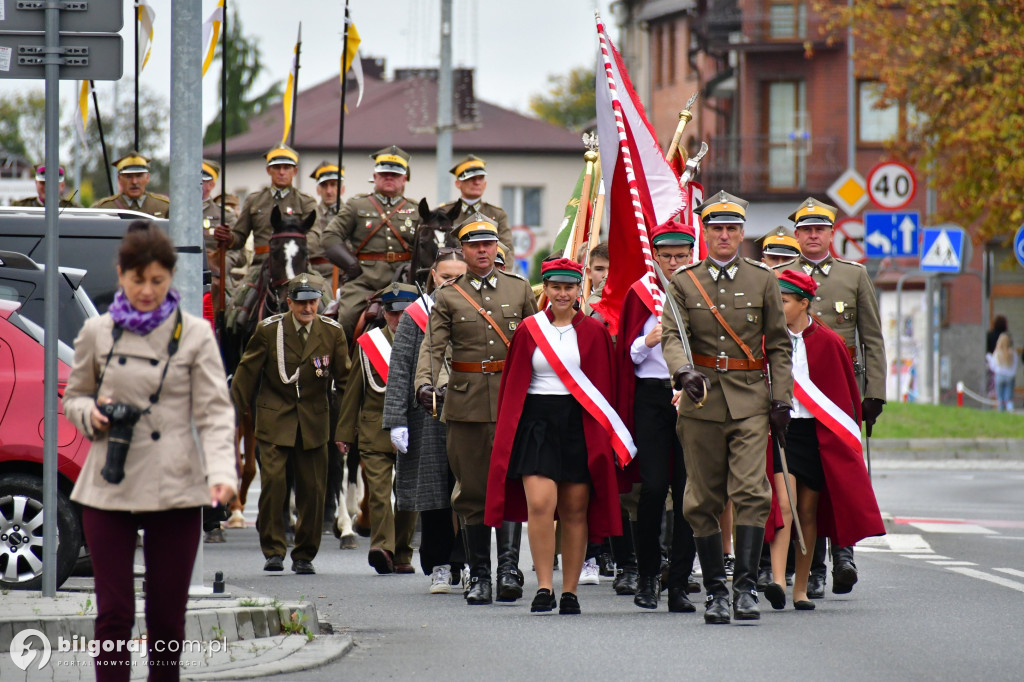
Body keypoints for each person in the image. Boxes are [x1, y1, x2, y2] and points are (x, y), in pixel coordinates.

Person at [63, 221, 237, 679]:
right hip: (109, 481)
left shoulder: (195, 334)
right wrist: (90, 415)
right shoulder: (98, 332)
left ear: (171, 277)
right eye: (137, 279)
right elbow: (74, 396)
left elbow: (215, 413)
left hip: (176, 484)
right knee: (113, 614)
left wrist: (223, 474)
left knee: (166, 619)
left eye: (157, 281)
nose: (146, 290)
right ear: (121, 275)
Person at [661, 190, 793, 625]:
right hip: (701, 400)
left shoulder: (763, 280)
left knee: (753, 492)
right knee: (702, 498)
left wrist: (781, 399)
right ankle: (717, 592)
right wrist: (682, 373)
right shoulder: (683, 281)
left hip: (751, 398)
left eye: (732, 228)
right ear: (704, 230)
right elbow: (671, 337)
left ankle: (745, 589)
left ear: (741, 233)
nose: (724, 234)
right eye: (716, 227)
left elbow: (778, 345)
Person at [485, 258, 625, 614]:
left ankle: (570, 591)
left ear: (579, 290)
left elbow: (604, 390)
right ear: (545, 289)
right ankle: (544, 586)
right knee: (540, 505)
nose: (562, 294)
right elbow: (513, 385)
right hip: (537, 424)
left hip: (578, 425)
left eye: (569, 287)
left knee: (575, 510)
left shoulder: (594, 332)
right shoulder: (529, 329)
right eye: (555, 287)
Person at [415, 212, 538, 605]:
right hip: (465, 404)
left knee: (510, 485)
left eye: (488, 244)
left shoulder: (519, 290)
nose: (482, 251)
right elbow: (432, 347)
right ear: (463, 251)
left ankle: (508, 570)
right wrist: (425, 382)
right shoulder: (449, 296)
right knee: (470, 491)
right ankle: (479, 575)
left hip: (512, 400)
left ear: (497, 248)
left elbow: (539, 343)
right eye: (474, 245)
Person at [777, 196, 885, 598]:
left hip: (841, 390)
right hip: (799, 391)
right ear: (797, 235)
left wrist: (874, 392)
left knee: (840, 471)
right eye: (805, 230)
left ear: (831, 233)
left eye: (819, 229)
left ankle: (845, 553)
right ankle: (815, 568)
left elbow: (871, 337)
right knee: (807, 478)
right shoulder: (781, 277)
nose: (812, 236)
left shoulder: (853, 276)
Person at [230, 273, 351, 574]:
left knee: (313, 489)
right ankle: (273, 549)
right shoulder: (269, 330)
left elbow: (346, 381)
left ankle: (304, 554)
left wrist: (347, 426)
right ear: (289, 303)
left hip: (314, 420)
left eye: (312, 303)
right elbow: (247, 373)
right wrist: (230, 416)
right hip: (275, 417)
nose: (307, 309)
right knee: (273, 482)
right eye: (301, 303)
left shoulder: (332, 332)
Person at [616, 220, 698, 613]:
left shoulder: (700, 290)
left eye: (681, 255)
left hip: (692, 395)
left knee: (688, 491)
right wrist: (649, 339)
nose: (673, 262)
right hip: (651, 396)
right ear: (655, 257)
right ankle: (647, 574)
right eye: (666, 256)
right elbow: (626, 355)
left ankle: (679, 581)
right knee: (652, 487)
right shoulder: (640, 293)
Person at [383, 250, 469, 593]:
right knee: (435, 493)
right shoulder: (415, 316)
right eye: (445, 276)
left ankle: (468, 560)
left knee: (469, 491)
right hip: (428, 415)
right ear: (433, 276)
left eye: (457, 276)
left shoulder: (477, 308)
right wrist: (395, 420)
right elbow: (400, 368)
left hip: (469, 410)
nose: (450, 281)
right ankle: (439, 564)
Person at [338, 283, 421, 575]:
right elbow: (353, 392)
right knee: (380, 492)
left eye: (404, 313)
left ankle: (402, 552)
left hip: (413, 429)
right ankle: (381, 547)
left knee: (408, 495)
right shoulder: (369, 344)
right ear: (383, 313)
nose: (397, 319)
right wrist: (345, 433)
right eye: (391, 312)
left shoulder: (425, 341)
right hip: (375, 431)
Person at [322, 145, 423, 338]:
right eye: (384, 173)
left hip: (405, 282)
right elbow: (329, 237)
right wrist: (351, 265)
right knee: (346, 320)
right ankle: (344, 366)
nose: (389, 177)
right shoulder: (356, 205)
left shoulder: (416, 210)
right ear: (374, 176)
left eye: (395, 174)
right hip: (364, 282)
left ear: (405, 178)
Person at [438, 154, 514, 256]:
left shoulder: (497, 214)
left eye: (480, 178)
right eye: (471, 179)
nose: (477, 182)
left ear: (485, 184)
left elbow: (506, 250)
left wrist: (501, 272)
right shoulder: (444, 212)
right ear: (458, 183)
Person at [201, 159, 244, 299]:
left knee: (232, 309)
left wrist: (218, 265)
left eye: (201, 181)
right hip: (181, 272)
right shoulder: (174, 212)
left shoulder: (225, 216)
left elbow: (238, 253)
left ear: (211, 185)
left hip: (216, 275)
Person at [93, 153, 170, 217]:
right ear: (119, 179)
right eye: (128, 177)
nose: (134, 182)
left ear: (147, 178)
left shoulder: (164, 206)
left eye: (139, 176)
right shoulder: (104, 208)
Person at [308, 161, 345, 283]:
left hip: (345, 276)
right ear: (318, 190)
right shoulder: (309, 215)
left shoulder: (350, 214)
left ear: (342, 189)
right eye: (324, 185)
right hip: (315, 275)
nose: (329, 191)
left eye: (333, 185)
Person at [11, 164, 80, 207]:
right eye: (43, 183)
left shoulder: (74, 211)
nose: (47, 187)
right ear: (36, 183)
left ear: (62, 185)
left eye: (53, 183)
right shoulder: (19, 207)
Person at [987, 332, 1018, 412]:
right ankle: (1010, 411)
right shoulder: (1013, 353)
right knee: (1009, 397)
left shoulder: (997, 353)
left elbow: (992, 365)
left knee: (1000, 397)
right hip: (1010, 376)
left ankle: (1001, 412)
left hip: (1000, 375)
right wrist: (1012, 374)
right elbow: (1015, 365)